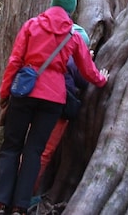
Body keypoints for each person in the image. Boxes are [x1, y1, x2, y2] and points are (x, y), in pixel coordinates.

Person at [0, 0, 108, 215]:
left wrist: (5, 92)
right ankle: (19, 206)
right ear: (71, 10)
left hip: (24, 93)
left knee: (11, 147)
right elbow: (87, 69)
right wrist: (103, 79)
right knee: (34, 151)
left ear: (52, 3)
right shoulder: (73, 35)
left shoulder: (32, 25)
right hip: (53, 99)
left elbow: (15, 61)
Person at [33, 24, 92, 196]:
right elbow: (84, 81)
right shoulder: (75, 58)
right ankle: (25, 196)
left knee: (29, 147)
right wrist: (87, 59)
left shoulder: (53, 51)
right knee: (44, 152)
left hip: (37, 102)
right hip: (58, 108)